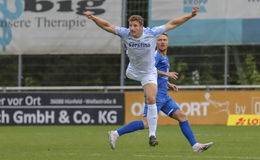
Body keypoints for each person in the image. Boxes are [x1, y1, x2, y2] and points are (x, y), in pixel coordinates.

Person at [85, 6, 199, 147]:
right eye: (130, 25)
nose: (132, 28)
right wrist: (93, 18)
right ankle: (119, 133)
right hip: (132, 71)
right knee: (149, 110)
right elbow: (107, 25)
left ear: (141, 26)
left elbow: (172, 23)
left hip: (148, 73)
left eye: (135, 26)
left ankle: (153, 135)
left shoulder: (151, 33)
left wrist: (190, 15)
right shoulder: (125, 33)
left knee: (151, 98)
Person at [107, 33, 213, 152]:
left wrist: (168, 83)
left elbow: (155, 74)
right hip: (155, 95)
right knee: (146, 123)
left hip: (164, 96)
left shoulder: (165, 56)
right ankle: (115, 133)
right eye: (160, 40)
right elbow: (148, 70)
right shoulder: (156, 55)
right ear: (156, 43)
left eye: (164, 40)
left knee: (182, 117)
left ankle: (195, 146)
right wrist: (166, 74)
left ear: (168, 42)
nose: (162, 42)